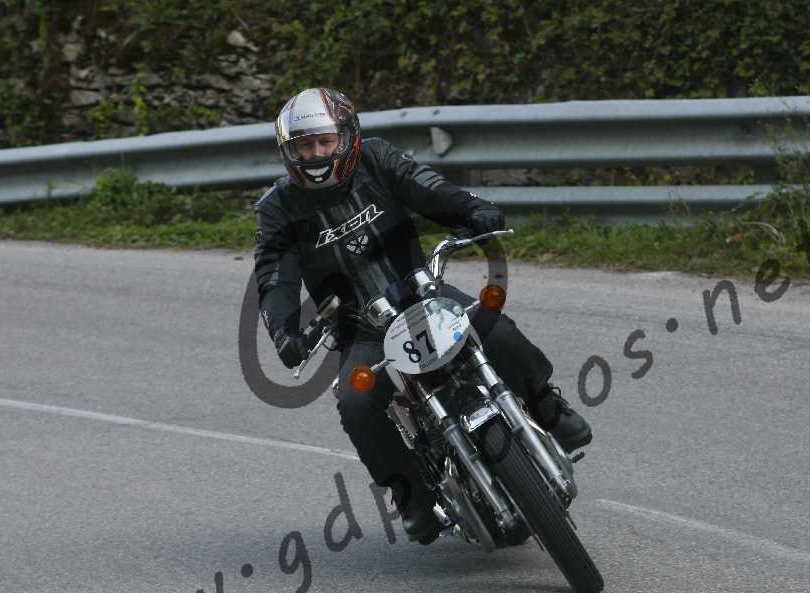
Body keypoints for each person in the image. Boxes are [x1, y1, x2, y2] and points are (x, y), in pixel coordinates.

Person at [253, 87, 591, 544]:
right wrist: (284, 332)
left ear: (347, 138)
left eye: (324, 142)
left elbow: (427, 187)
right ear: (288, 152)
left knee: (494, 329)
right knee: (355, 402)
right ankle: (410, 495)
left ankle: (547, 404)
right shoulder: (277, 209)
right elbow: (274, 278)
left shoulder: (377, 159)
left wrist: (472, 208)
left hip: (423, 295)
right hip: (361, 328)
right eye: (304, 146)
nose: (316, 154)